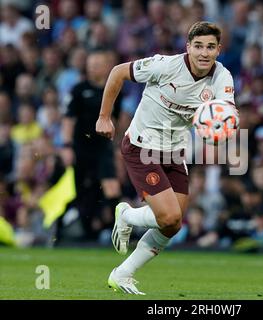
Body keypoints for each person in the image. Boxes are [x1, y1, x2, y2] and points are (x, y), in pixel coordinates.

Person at [95, 21, 235, 294]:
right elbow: (117, 72)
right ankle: (126, 215)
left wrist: (219, 126)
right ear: (188, 48)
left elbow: (223, 112)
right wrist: (104, 117)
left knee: (172, 225)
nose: (204, 53)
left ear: (219, 50)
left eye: (210, 47)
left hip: (175, 151)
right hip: (141, 147)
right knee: (169, 217)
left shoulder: (222, 78)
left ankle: (122, 273)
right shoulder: (165, 66)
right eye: (198, 46)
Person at [62, 50, 122, 241]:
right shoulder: (79, 89)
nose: (93, 66)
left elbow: (117, 120)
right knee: (82, 190)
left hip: (103, 147)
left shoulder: (114, 90)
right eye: (91, 63)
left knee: (112, 187)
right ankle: (85, 232)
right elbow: (69, 118)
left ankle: (118, 232)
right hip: (81, 147)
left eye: (98, 63)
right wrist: (66, 146)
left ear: (107, 66)